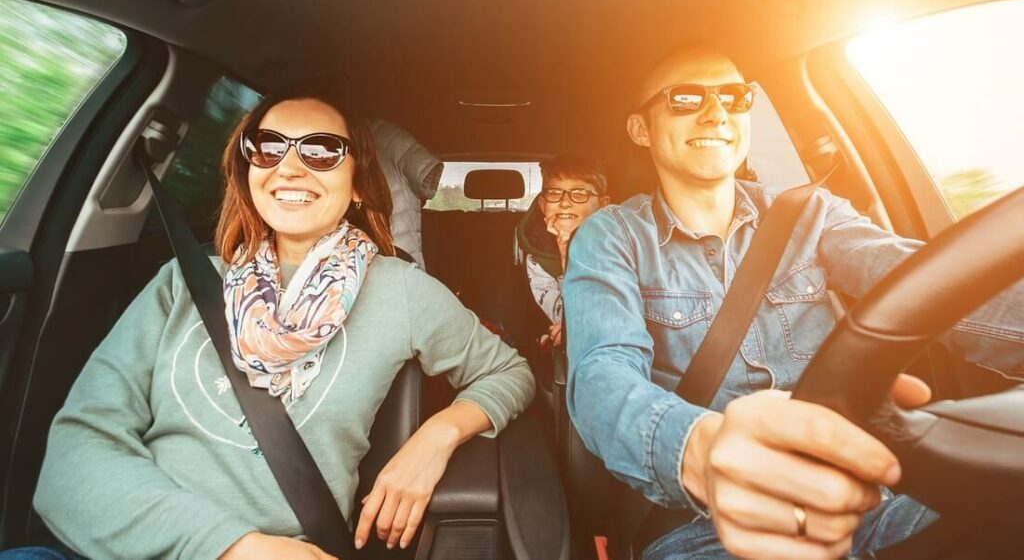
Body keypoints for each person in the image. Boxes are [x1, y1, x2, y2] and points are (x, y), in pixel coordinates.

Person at [20, 93, 534, 559]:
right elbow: (73, 460)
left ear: (358, 185)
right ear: (247, 170)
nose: (290, 167)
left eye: (322, 150)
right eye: (267, 147)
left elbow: (510, 373)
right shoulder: (183, 282)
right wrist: (230, 546)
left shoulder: (401, 289)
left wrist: (435, 437)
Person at [562, 45, 1024, 560]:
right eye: (685, 98)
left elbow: (928, 283)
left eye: (735, 97)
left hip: (867, 498)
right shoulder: (612, 237)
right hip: (707, 525)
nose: (717, 113)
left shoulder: (812, 214)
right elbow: (602, 375)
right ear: (640, 129)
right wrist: (704, 450)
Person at [514, 152, 609, 348]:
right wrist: (565, 250)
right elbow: (564, 317)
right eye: (555, 193)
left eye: (580, 193)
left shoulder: (622, 245)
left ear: (603, 204)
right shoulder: (538, 255)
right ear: (542, 204)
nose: (565, 202)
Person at [367, 118, 442, 270]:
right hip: (399, 242)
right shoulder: (388, 136)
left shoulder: (386, 136)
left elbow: (427, 182)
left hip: (395, 241)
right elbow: (426, 185)